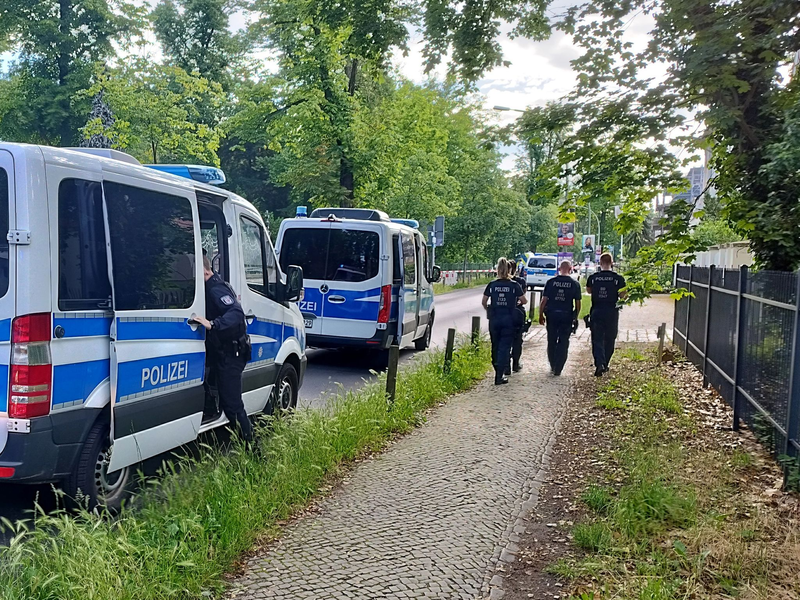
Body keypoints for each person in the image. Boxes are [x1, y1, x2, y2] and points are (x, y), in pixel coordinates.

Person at [194, 256, 253, 442]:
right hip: (223, 352)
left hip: (232, 354)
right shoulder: (211, 286)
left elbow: (236, 313)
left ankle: (252, 449)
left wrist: (213, 324)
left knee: (232, 405)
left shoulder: (215, 288)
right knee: (222, 397)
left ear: (204, 270)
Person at [482, 258, 527, 384]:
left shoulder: (492, 285)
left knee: (495, 346)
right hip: (509, 320)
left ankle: (497, 369)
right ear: (509, 270)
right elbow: (524, 301)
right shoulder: (514, 285)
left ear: (497, 269)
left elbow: (484, 301)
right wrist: (515, 303)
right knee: (505, 347)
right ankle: (499, 375)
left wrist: (489, 310)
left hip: (494, 319)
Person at [586, 252, 627, 377]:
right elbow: (623, 296)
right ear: (612, 263)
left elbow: (589, 291)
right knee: (610, 338)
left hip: (597, 310)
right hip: (611, 312)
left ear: (600, 263)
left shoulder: (593, 278)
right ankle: (606, 363)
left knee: (597, 338)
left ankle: (600, 363)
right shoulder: (618, 279)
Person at [539, 260, 582, 376]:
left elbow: (544, 301)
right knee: (564, 341)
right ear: (571, 269)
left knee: (551, 340)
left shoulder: (551, 282)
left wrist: (540, 315)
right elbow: (578, 303)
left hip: (552, 315)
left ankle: (553, 364)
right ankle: (559, 367)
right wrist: (575, 316)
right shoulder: (574, 284)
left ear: (559, 269)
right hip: (566, 315)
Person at [510, 259, 528, 372]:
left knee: (505, 339)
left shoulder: (499, 282)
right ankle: (516, 364)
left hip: (504, 313)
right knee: (517, 339)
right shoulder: (520, 282)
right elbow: (523, 297)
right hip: (518, 312)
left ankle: (506, 366)